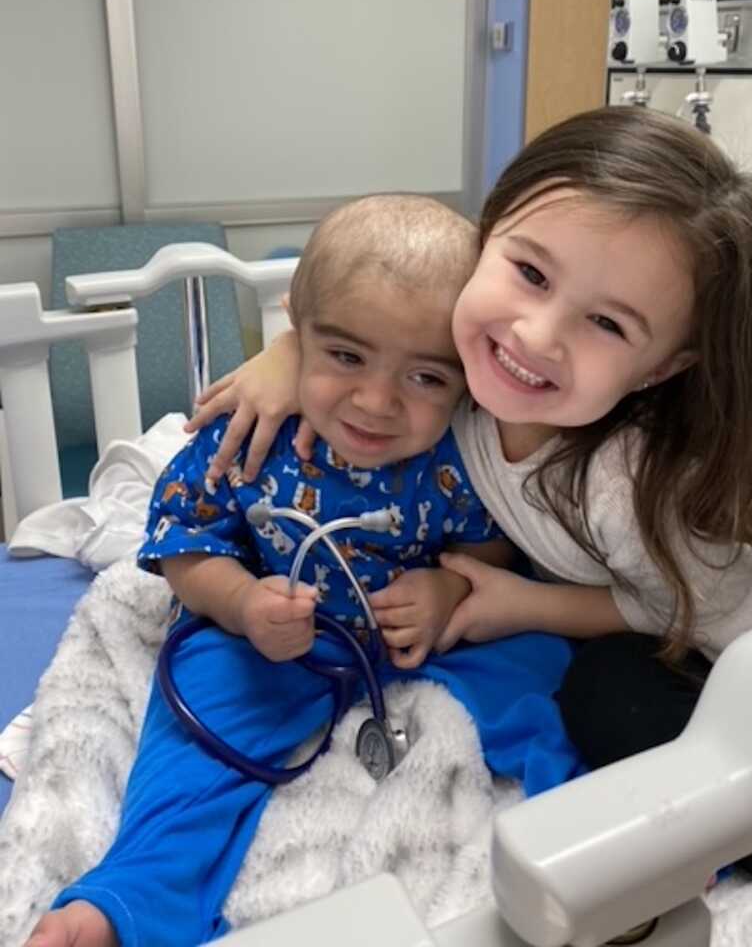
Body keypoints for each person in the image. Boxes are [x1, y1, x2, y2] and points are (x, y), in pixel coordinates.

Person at [180, 106, 752, 922]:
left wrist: (523, 605)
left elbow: (732, 637)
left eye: (606, 323)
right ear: (486, 239)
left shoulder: (625, 483)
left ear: (662, 366)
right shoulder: (440, 376)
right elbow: (373, 280)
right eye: (529, 272)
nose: (534, 335)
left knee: (628, 701)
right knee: (601, 693)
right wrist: (289, 353)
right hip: (717, 580)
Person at [26, 194, 584, 947]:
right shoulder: (252, 433)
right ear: (295, 333)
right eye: (346, 356)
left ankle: (600, 842)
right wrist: (242, 605)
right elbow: (185, 544)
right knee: (192, 739)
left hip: (417, 645)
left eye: (425, 378)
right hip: (270, 640)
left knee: (541, 672)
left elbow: (492, 547)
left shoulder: (465, 449)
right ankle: (129, 899)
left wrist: (450, 587)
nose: (377, 401)